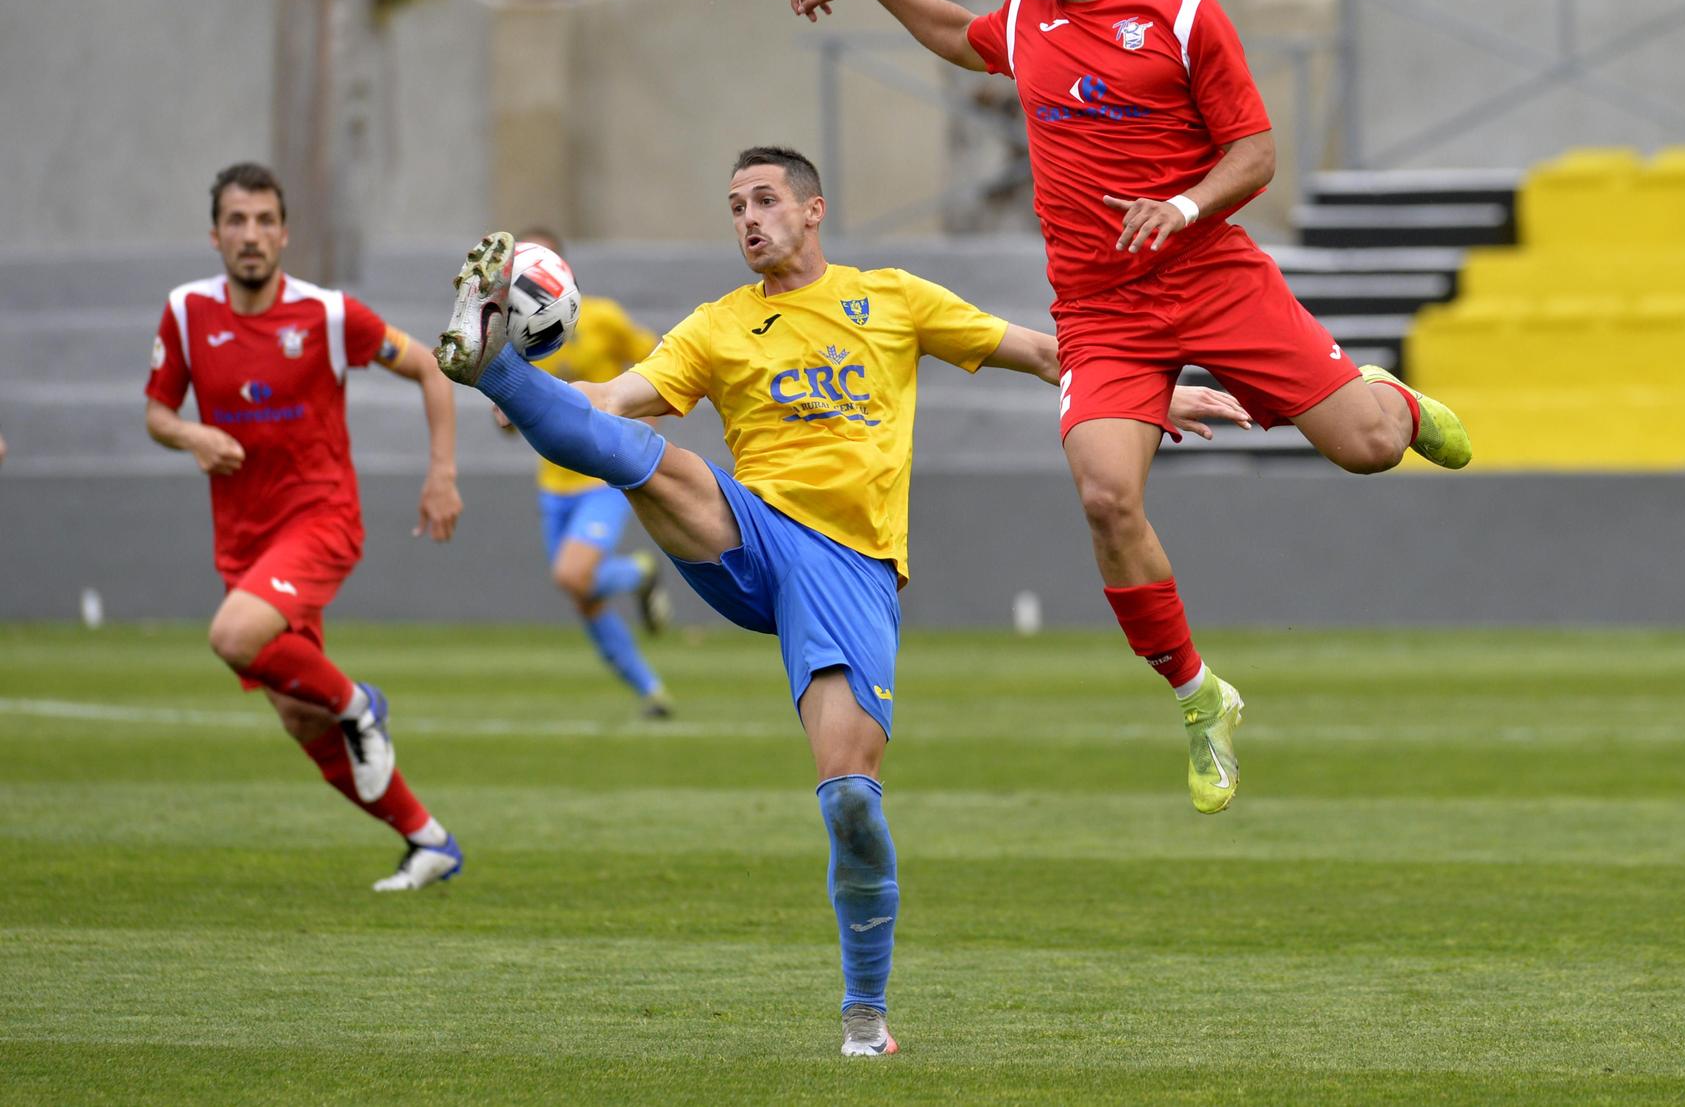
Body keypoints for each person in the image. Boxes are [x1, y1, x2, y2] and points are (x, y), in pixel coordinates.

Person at [434, 145, 1244, 1056]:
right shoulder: (717, 325)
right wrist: (531, 397)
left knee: (852, 803)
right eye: (735, 202)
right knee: (643, 462)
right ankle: (495, 366)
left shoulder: (890, 297)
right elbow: (615, 398)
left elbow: (1045, 349)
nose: (748, 216)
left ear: (814, 210)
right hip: (750, 528)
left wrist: (1157, 388)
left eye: (767, 198)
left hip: (850, 571)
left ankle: (866, 1017)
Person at [787, 0, 1472, 815]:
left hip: (1213, 280)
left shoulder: (1183, 16)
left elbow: (1255, 151)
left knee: (1365, 447)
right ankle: (1200, 696)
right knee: (1106, 499)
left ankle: (1387, 399)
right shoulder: (1025, 18)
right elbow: (957, 34)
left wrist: (1183, 207)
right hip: (1103, 317)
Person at [144, 162, 466, 892]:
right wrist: (191, 436)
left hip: (322, 519)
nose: (251, 235)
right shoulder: (187, 312)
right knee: (297, 713)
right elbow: (157, 412)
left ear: (285, 234)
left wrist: (440, 472)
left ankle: (362, 704)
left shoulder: (328, 314)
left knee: (232, 636)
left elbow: (431, 368)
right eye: (237, 221)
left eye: (264, 221)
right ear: (215, 234)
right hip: (245, 540)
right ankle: (428, 839)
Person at [498, 228, 676, 718]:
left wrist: (648, 409)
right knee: (581, 594)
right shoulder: (510, 342)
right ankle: (651, 691)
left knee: (573, 574)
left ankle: (641, 572)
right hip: (552, 486)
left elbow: (658, 355)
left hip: (599, 477)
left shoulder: (600, 318)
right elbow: (512, 425)